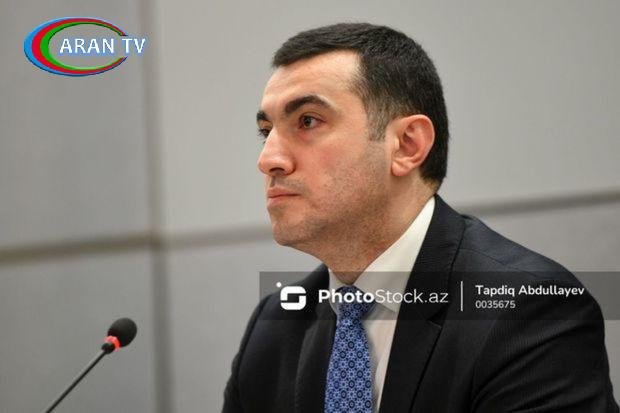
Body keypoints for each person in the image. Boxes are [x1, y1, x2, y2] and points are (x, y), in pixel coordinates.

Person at [222, 23, 618, 412]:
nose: (268, 159)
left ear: (407, 145)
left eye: (308, 121)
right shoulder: (274, 326)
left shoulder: (527, 311)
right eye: (266, 131)